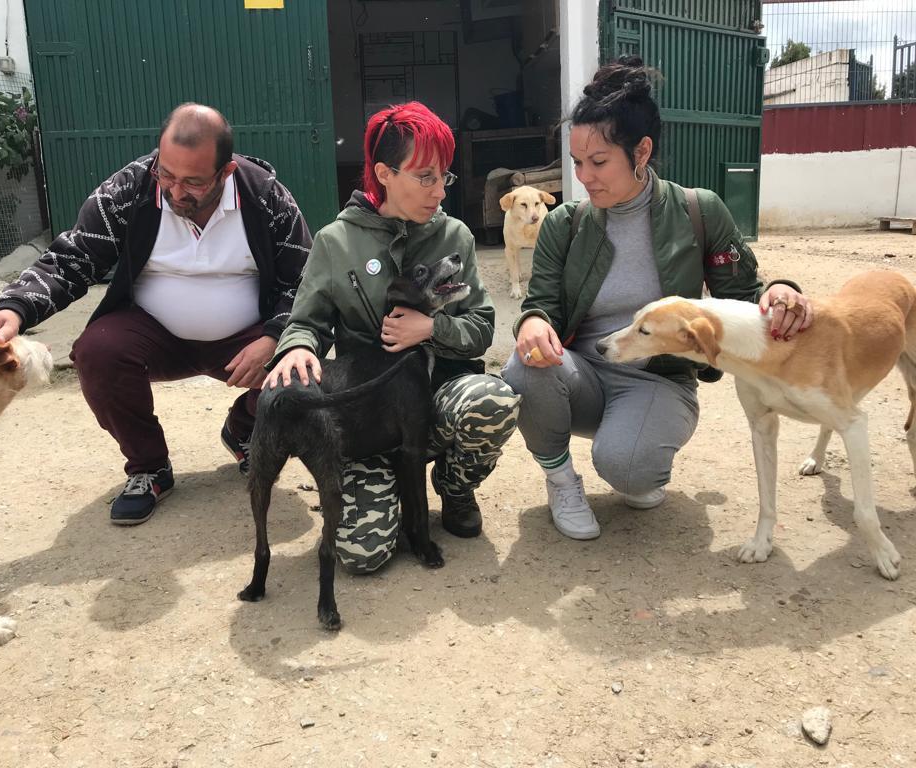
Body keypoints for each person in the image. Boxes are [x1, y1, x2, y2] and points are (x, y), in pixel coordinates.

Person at [501, 57, 813, 541]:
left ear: (641, 151)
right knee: (524, 366)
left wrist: (782, 290)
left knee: (629, 469)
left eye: (599, 162)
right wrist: (532, 324)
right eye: (578, 162)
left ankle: (634, 456)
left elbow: (746, 297)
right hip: (583, 374)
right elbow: (540, 302)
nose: (584, 176)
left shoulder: (698, 211)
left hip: (658, 382)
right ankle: (561, 480)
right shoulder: (565, 223)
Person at [0, 103, 311, 526]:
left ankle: (246, 428)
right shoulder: (130, 189)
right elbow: (73, 259)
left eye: (194, 182)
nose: (176, 193)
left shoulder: (265, 196)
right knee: (97, 350)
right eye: (167, 175)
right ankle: (149, 468)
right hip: (153, 336)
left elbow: (304, 280)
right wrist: (13, 309)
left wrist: (272, 338)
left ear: (226, 173)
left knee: (299, 373)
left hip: (245, 346)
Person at [265, 101, 520, 573]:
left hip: (439, 401)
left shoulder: (455, 236)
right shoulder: (336, 242)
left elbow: (482, 326)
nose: (439, 190)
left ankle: (454, 487)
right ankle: (384, 491)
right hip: (371, 417)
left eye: (445, 176)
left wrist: (433, 328)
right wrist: (297, 345)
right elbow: (307, 321)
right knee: (362, 554)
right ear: (383, 173)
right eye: (425, 176)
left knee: (492, 400)